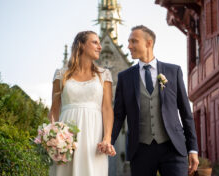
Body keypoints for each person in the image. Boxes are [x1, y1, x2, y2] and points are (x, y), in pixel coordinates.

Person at [111, 25, 199, 176]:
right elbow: (118, 116)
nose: (129, 46)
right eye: (129, 42)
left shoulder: (173, 71)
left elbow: (186, 113)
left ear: (148, 43)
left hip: (173, 148)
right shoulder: (124, 77)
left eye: (134, 41)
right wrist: (109, 141)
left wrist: (192, 148)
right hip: (140, 151)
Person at [48, 31, 116, 176]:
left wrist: (107, 138)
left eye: (99, 42)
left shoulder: (104, 74)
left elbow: (107, 109)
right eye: (95, 42)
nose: (100, 47)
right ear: (81, 45)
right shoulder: (61, 74)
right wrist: (53, 136)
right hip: (66, 137)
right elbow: (54, 109)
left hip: (94, 137)